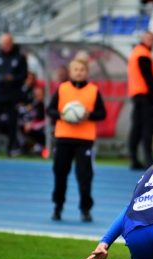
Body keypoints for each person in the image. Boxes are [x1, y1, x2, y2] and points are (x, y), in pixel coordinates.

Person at [46, 58, 107, 222]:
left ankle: (85, 209)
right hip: (63, 138)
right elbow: (50, 110)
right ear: (70, 72)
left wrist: (89, 115)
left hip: (84, 139)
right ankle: (57, 206)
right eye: (76, 70)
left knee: (85, 176)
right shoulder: (62, 88)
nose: (79, 72)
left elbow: (102, 113)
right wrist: (62, 115)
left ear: (87, 72)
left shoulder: (93, 90)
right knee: (60, 173)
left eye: (82, 70)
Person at [127, 31, 153, 170]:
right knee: (147, 128)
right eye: (148, 39)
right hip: (147, 97)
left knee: (137, 127)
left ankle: (134, 158)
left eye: (152, 39)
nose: (151, 42)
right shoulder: (143, 54)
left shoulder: (137, 53)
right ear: (143, 39)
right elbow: (149, 79)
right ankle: (148, 158)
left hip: (138, 96)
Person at [0, 33, 28, 156]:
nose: (6, 45)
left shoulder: (19, 58)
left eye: (8, 42)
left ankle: (10, 148)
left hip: (13, 94)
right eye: (4, 42)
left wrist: (12, 78)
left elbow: (24, 76)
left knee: (12, 122)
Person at [19, 86, 46, 154]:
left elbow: (45, 119)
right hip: (29, 126)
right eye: (36, 94)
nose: (38, 96)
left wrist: (32, 125)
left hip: (41, 128)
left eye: (40, 94)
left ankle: (40, 147)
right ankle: (21, 146)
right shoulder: (32, 104)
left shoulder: (45, 105)